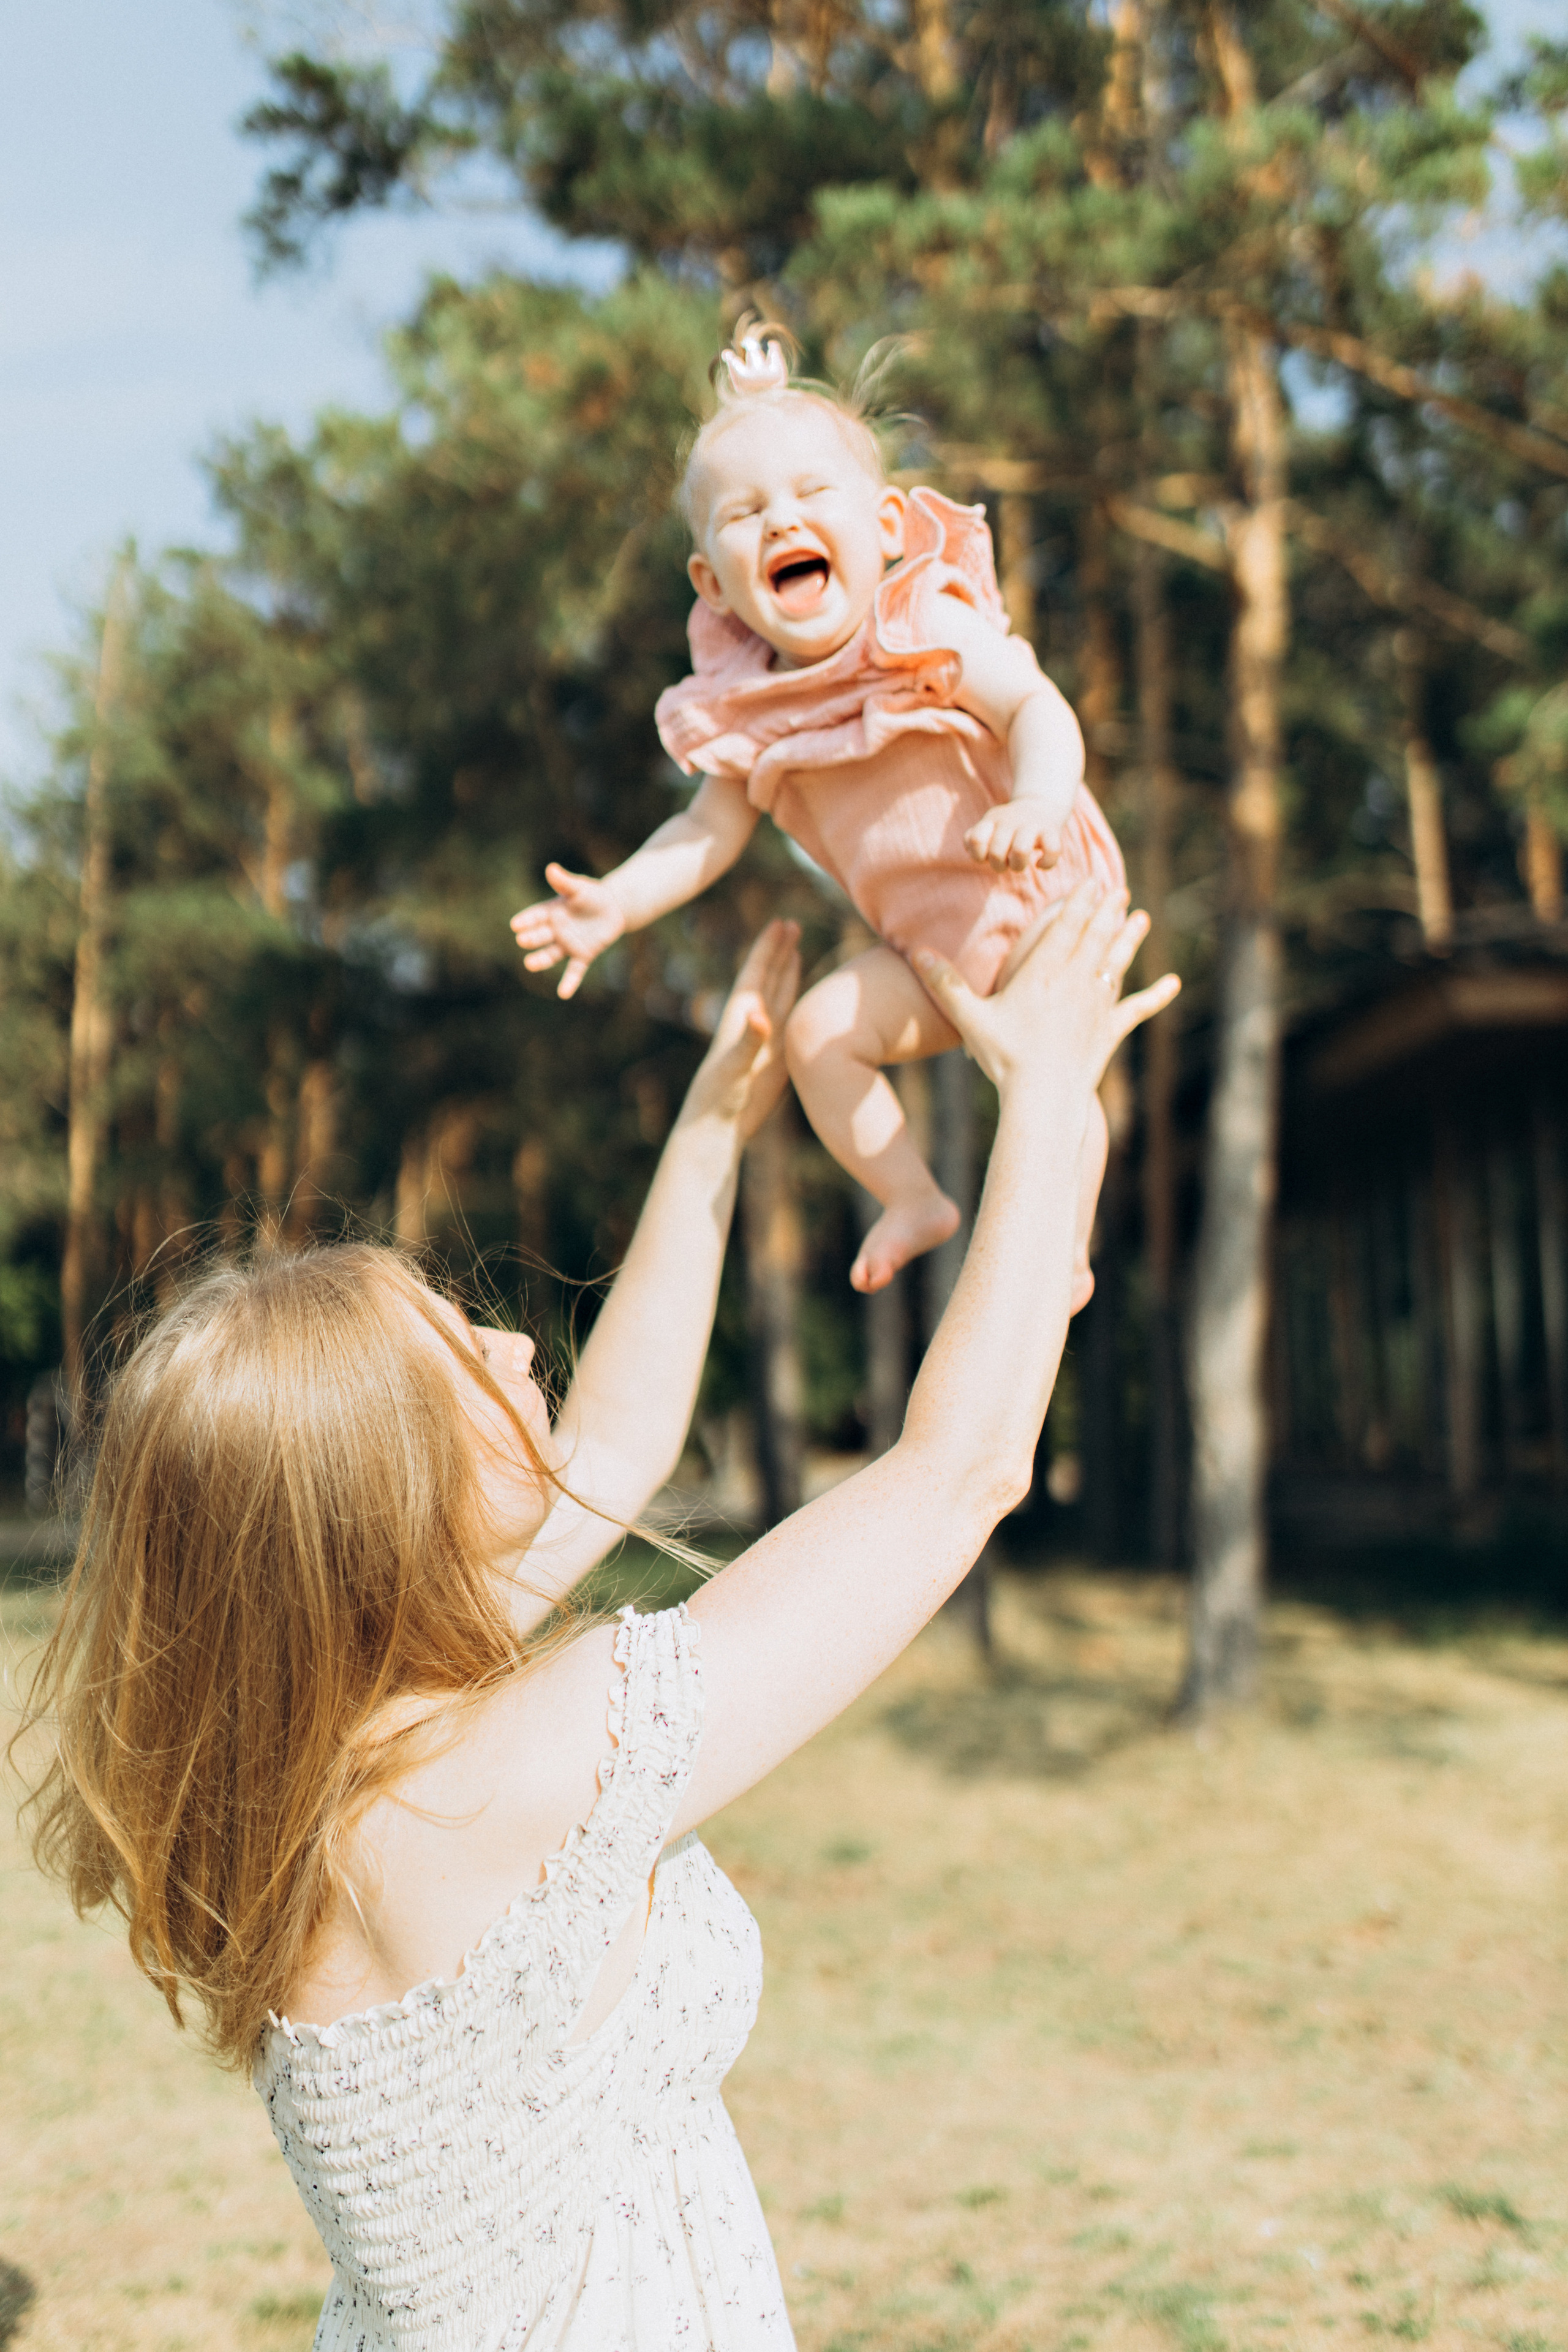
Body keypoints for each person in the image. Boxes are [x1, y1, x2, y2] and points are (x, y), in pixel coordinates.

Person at [18, 889, 1176, 2352]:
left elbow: (618, 1436)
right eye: (465, 1361)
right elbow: (959, 1473)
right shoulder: (512, 1770)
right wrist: (1050, 1089)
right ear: (390, 1509)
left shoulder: (353, 1743)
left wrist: (712, 1123)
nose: (515, 1343)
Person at [511, 326, 1125, 1303]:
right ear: (714, 582)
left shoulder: (919, 620)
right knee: (818, 1034)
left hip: (1042, 887)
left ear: (884, 527)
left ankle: (1068, 1246)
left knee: (1048, 1083)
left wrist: (1039, 802)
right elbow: (704, 834)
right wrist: (617, 905)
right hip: (927, 951)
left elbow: (1034, 706)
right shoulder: (747, 710)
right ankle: (913, 1197)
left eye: (809, 496)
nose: (781, 522)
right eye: (747, 513)